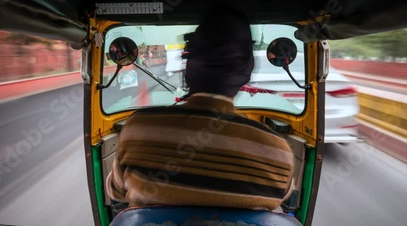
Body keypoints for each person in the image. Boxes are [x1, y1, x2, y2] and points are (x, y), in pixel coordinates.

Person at [106, 5, 295, 211]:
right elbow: (285, 196)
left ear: (189, 66)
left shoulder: (137, 129)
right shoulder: (279, 153)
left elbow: (115, 191)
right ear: (245, 73)